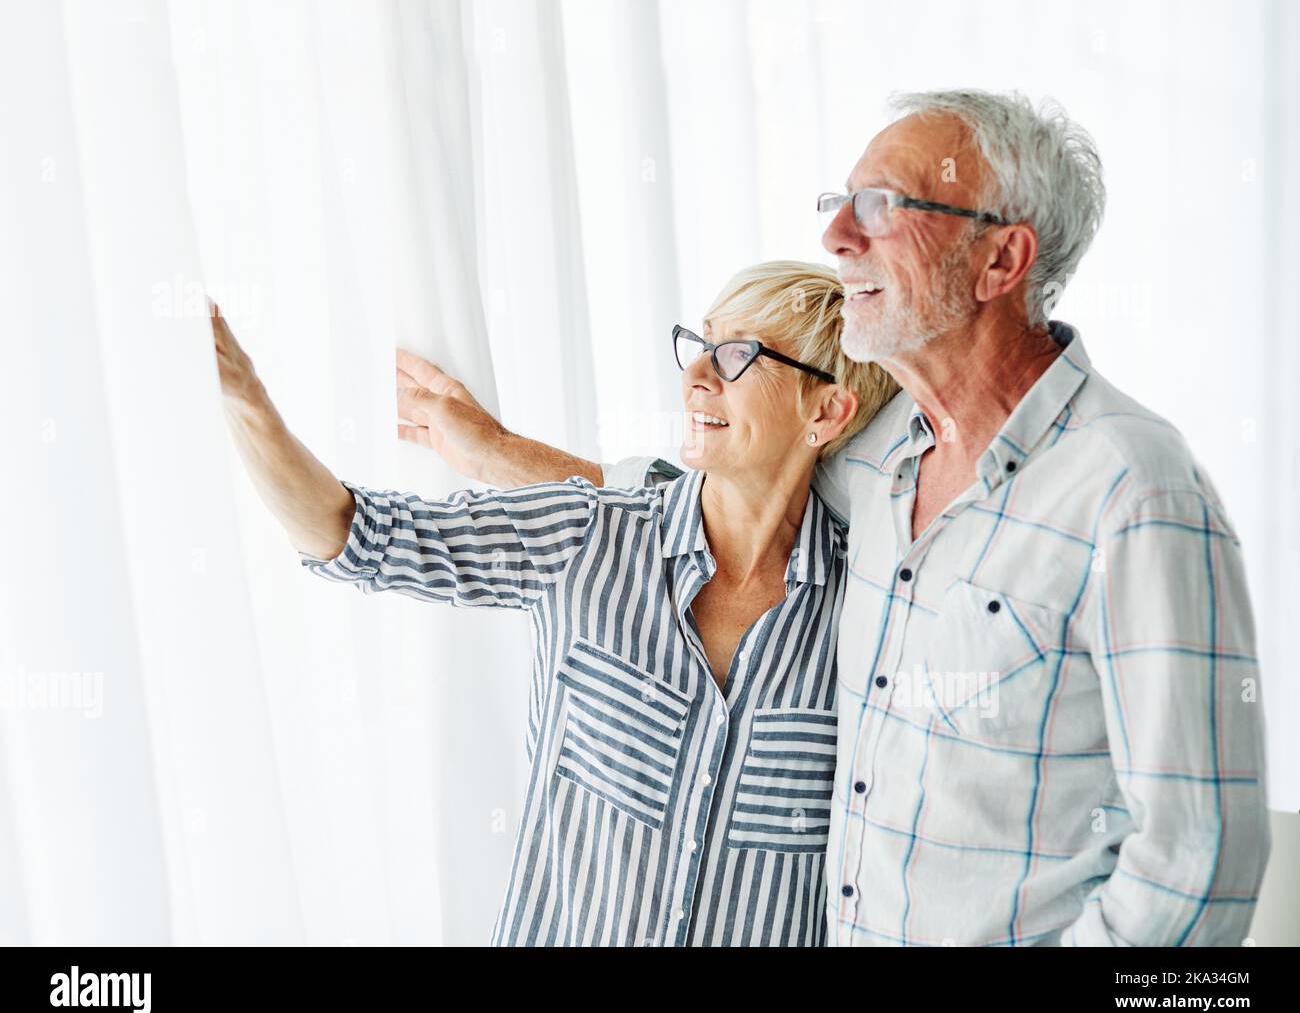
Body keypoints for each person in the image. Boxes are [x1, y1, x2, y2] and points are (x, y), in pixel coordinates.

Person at [399, 90, 1272, 946]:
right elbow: (701, 487)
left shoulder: (1135, 491)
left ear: (1001, 261)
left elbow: (1200, 864)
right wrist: (491, 451)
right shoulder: (877, 460)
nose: (836, 237)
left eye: (881, 206)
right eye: (840, 204)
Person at [210, 260, 898, 946]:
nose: (696, 376)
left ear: (828, 409)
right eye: (700, 345)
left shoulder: (865, 615)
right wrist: (243, 396)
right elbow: (351, 534)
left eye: (738, 354)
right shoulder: (589, 535)